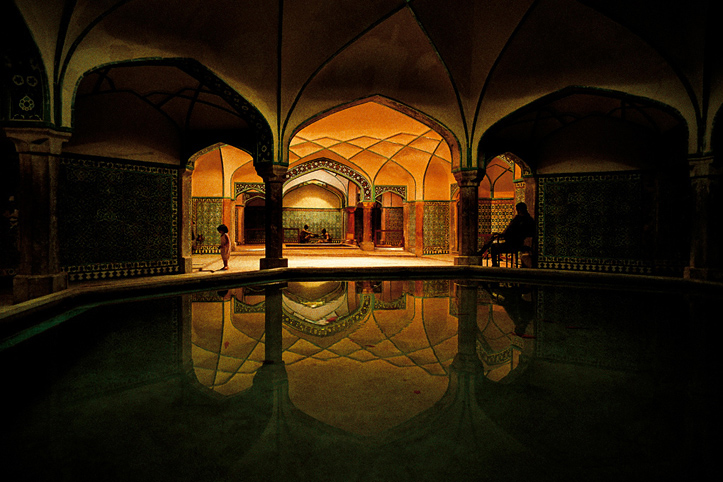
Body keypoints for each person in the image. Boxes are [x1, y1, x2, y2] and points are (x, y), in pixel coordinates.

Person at [482, 202, 536, 267]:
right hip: (520, 243)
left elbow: (508, 231)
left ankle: (494, 264)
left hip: (513, 244)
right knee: (493, 237)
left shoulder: (518, 219)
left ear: (519, 210)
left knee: (494, 247)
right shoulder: (530, 219)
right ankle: (483, 250)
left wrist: (502, 235)